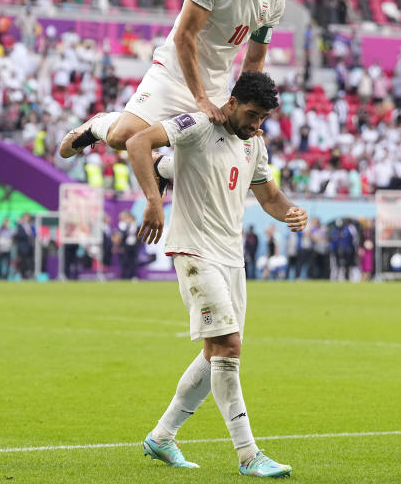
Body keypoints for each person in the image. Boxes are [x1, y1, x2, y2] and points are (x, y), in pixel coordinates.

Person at [127, 71, 306, 477]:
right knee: (228, 346)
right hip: (194, 251)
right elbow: (138, 142)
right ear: (232, 102)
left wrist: (292, 212)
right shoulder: (197, 125)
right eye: (252, 114)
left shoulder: (254, 145)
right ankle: (248, 454)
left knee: (216, 353)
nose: (256, 124)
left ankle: (161, 437)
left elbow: (270, 197)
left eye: (263, 119)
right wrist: (153, 201)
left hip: (231, 258)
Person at [59, 0, 301, 192]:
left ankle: (161, 167)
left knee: (223, 164)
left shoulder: (276, 0)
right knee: (122, 137)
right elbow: (184, 36)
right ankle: (99, 123)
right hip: (175, 73)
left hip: (217, 86)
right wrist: (200, 98)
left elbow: (254, 62)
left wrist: (246, 107)